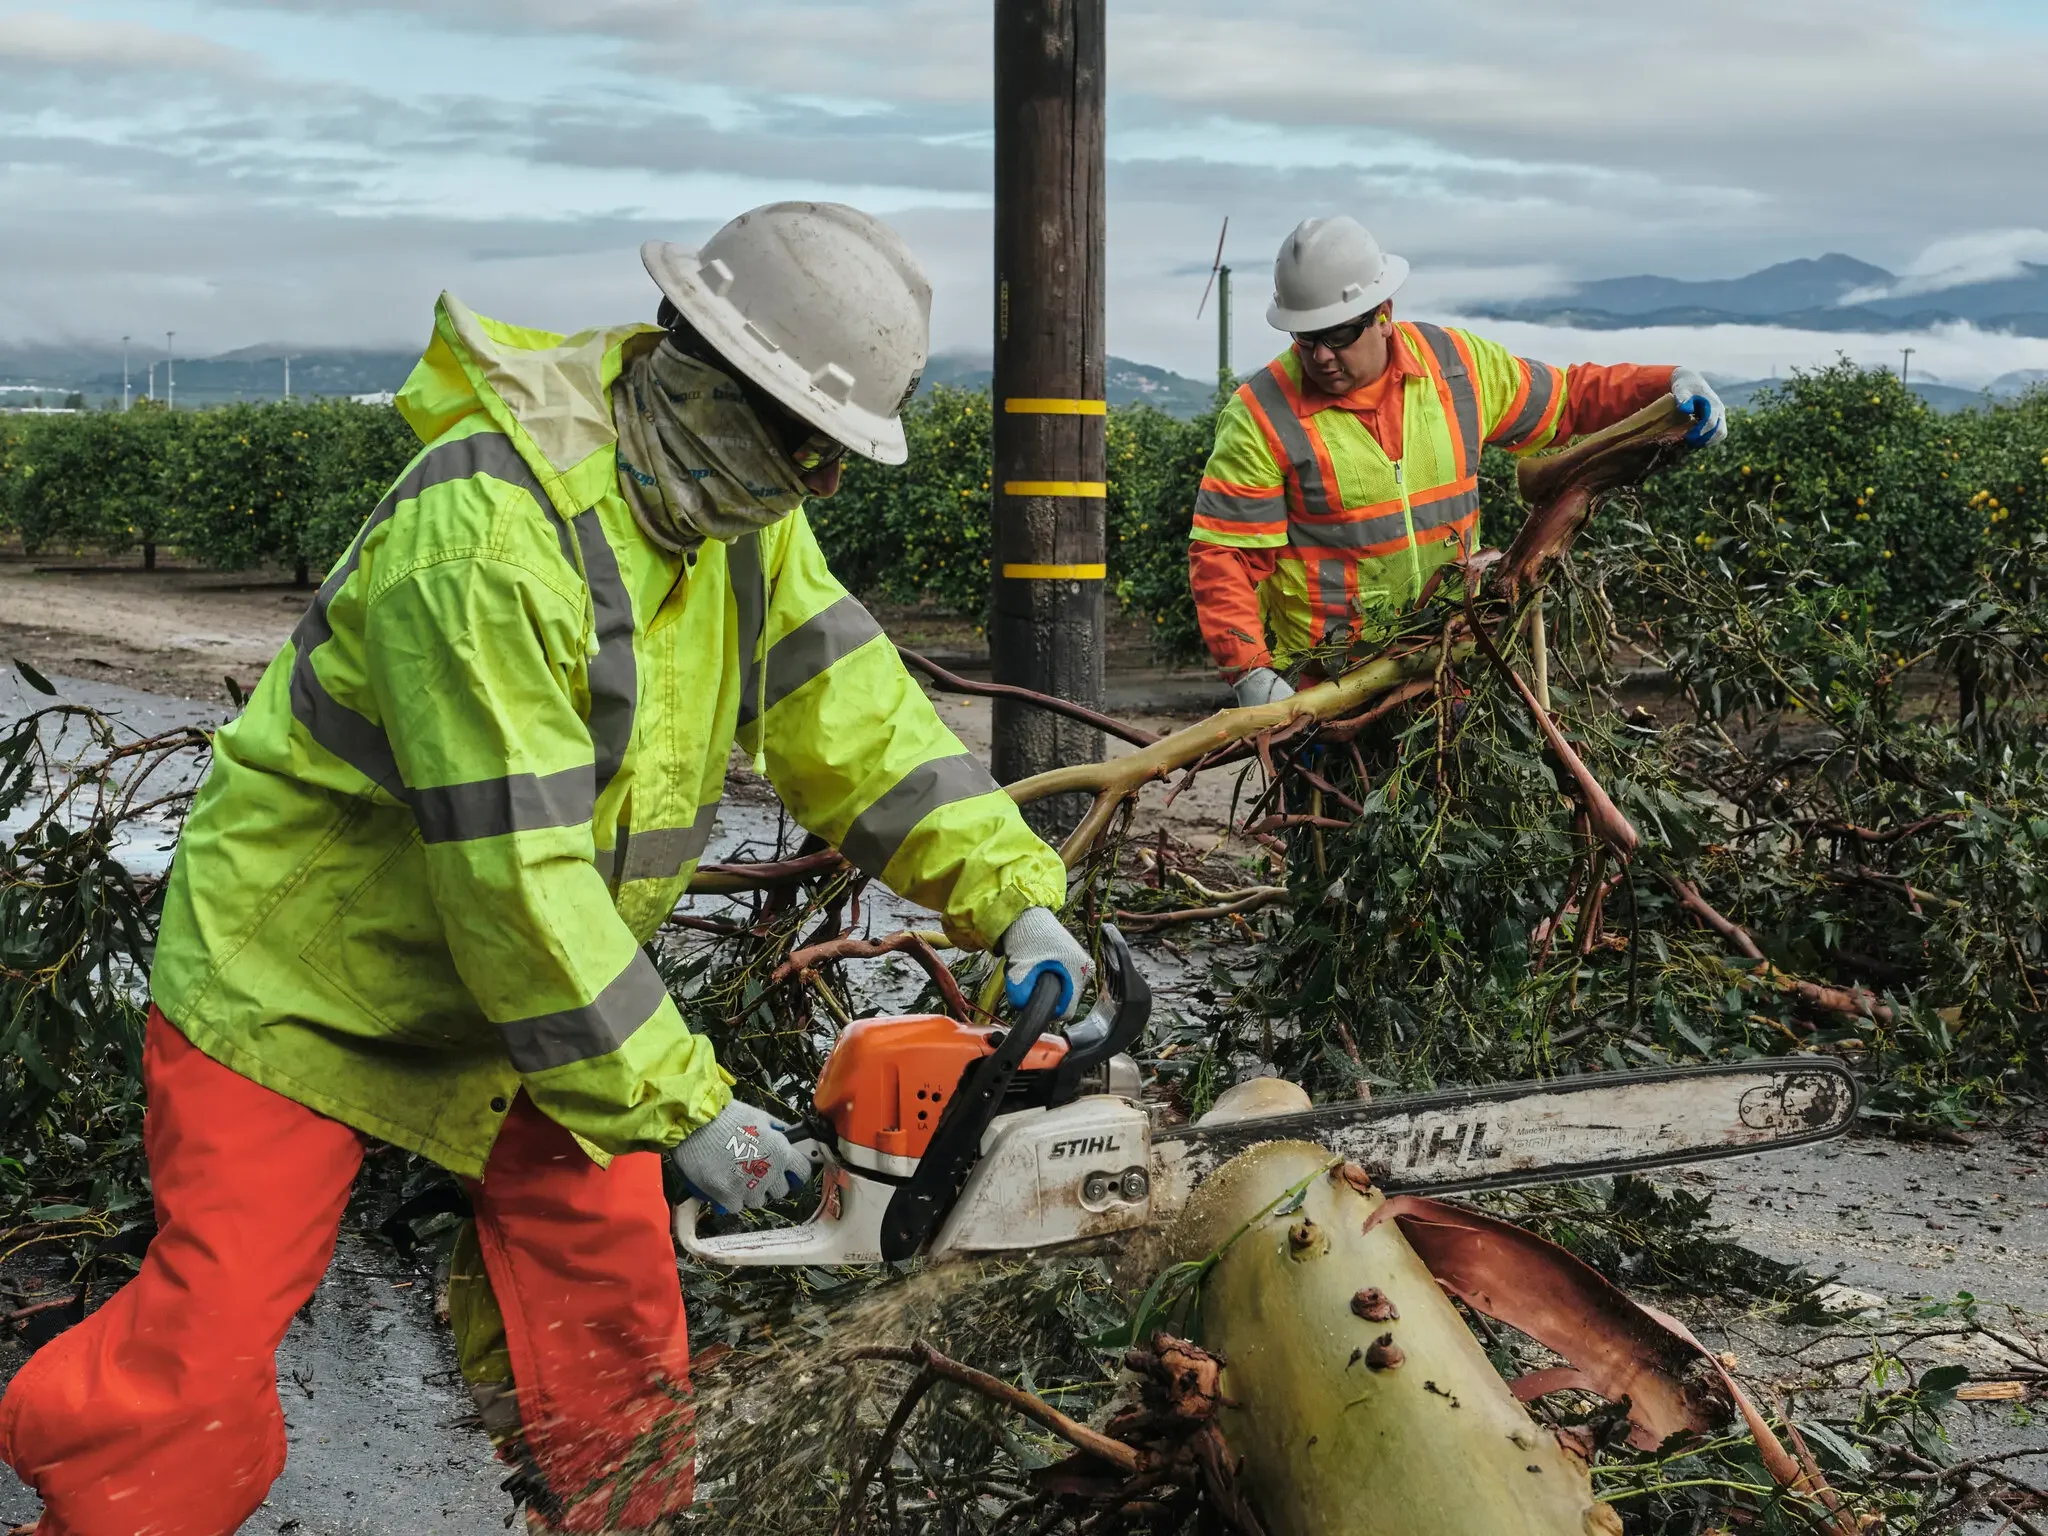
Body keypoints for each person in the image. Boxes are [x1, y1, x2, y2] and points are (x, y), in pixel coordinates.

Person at [0, 202, 1093, 1536]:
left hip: (543, 1015)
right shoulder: (486, 537)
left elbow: (858, 726)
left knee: (617, 1351)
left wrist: (1015, 896)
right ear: (702, 371)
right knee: (206, 1359)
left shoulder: (733, 519)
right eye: (806, 449)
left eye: (834, 460)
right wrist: (685, 1105)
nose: (820, 490)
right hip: (299, 991)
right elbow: (519, 881)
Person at [1191, 215, 1727, 705]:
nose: (1323, 356)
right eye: (1306, 340)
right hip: (1328, 690)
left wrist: (1665, 383)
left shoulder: (1455, 370)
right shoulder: (1262, 414)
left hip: (1451, 666)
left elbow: (1566, 399)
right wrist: (1251, 673)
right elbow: (1225, 556)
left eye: (1339, 335)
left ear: (1384, 315)